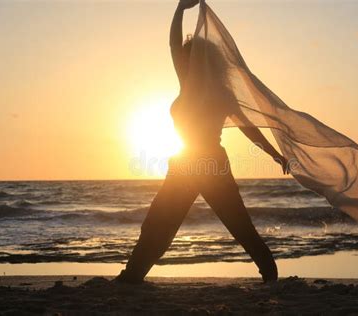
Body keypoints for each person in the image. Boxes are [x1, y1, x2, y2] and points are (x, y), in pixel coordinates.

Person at [116, 0, 288, 284]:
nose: (185, 58)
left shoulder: (208, 90)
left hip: (201, 164)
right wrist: (181, 9)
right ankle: (132, 276)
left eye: (191, 56)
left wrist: (273, 153)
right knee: (162, 223)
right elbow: (173, 45)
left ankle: (270, 275)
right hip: (195, 163)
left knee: (222, 223)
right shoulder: (197, 84)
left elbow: (248, 128)